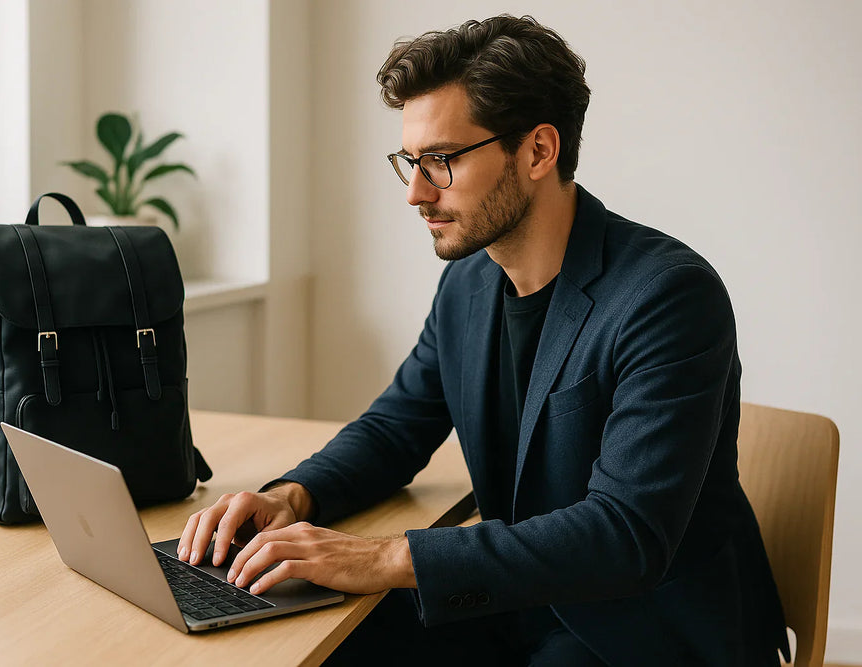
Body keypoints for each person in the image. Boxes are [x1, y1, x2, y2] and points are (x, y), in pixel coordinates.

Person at [176, 15, 788, 666]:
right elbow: (395, 427)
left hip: (645, 627)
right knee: (314, 638)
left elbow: (625, 533)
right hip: (514, 599)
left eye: (441, 160)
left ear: (537, 152)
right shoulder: (468, 282)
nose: (415, 192)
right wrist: (291, 496)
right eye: (410, 162)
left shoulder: (667, 295)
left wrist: (386, 554)